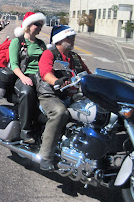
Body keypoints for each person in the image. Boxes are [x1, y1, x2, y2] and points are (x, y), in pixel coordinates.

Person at [37, 25, 91, 171]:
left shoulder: (75, 57)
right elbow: (45, 73)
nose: (72, 40)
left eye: (73, 37)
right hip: (50, 95)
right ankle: (45, 156)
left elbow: (88, 74)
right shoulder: (50, 54)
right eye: (69, 37)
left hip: (71, 94)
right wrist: (56, 81)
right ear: (59, 39)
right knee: (60, 112)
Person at [9, 12, 47, 144]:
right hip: (23, 76)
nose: (39, 27)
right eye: (37, 24)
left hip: (41, 77)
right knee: (27, 92)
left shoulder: (41, 44)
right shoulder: (17, 42)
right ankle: (26, 131)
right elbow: (14, 65)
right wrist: (23, 78)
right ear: (28, 25)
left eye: (41, 25)